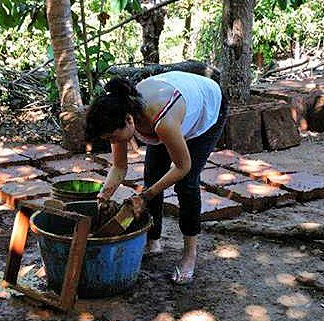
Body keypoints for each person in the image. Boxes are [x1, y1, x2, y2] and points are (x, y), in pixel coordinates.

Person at [85, 71, 227, 285]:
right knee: (152, 175)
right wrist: (102, 198)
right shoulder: (119, 114)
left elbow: (182, 166)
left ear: (129, 120)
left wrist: (145, 196)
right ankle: (154, 241)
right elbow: (119, 167)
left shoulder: (162, 120)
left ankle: (190, 254)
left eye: (113, 137)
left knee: (186, 184)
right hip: (171, 112)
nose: (112, 141)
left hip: (206, 108)